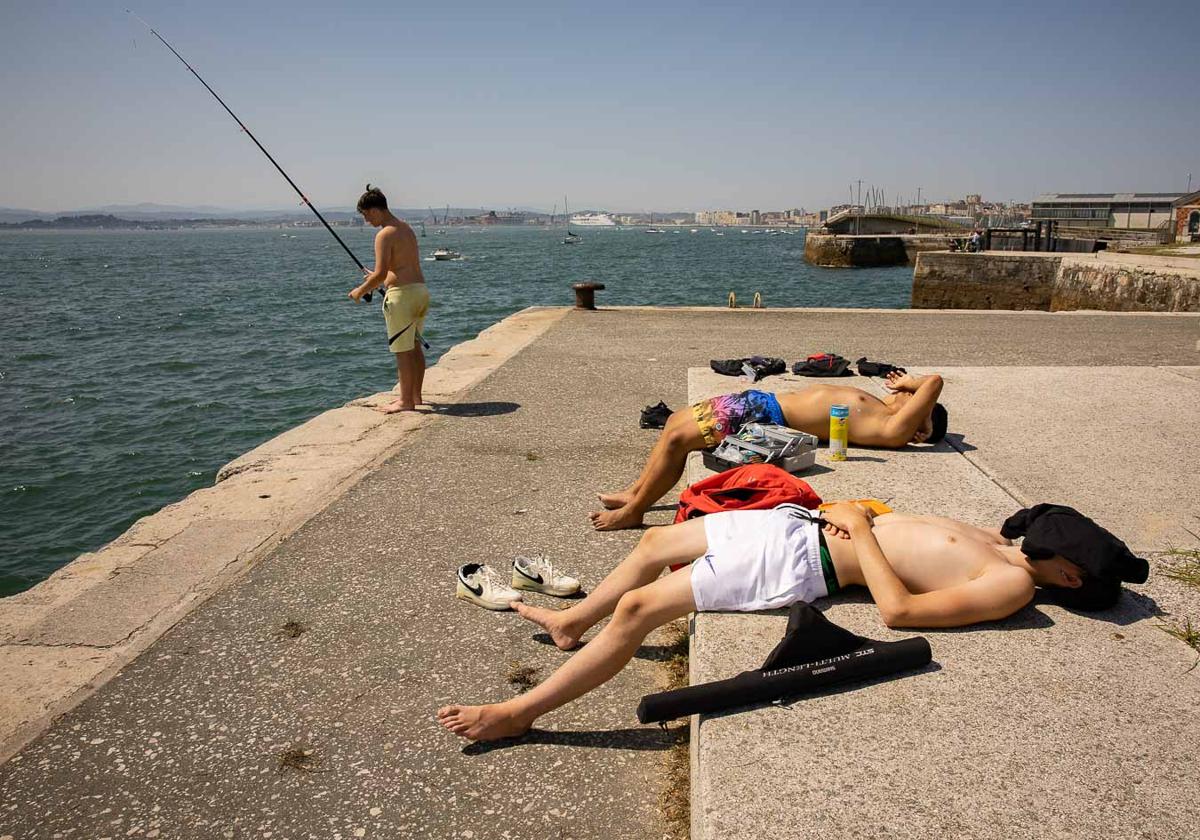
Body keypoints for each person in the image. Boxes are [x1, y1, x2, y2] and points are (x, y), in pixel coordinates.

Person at [438, 501, 1125, 742]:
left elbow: (901, 611)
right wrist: (860, 515)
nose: (1045, 533)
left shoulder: (1010, 585)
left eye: (1060, 543)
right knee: (651, 545)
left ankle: (521, 711)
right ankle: (572, 624)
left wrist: (861, 529)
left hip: (806, 566)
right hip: (799, 526)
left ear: (1069, 576)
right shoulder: (1003, 543)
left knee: (643, 609)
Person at [592, 371, 946, 530]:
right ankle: (636, 491)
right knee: (673, 424)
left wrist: (912, 387)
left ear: (920, 426)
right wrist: (904, 392)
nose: (905, 394)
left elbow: (934, 382)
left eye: (915, 401)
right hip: (763, 402)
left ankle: (636, 511)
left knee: (677, 441)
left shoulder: (892, 429)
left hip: (766, 415)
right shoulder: (884, 408)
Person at [349, 185, 430, 413]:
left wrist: (361, 290)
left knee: (402, 351)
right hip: (420, 291)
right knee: (414, 347)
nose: (367, 221)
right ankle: (416, 396)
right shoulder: (406, 228)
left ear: (375, 210)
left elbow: (381, 274)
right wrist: (375, 279)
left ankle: (405, 402)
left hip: (402, 297)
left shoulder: (384, 234)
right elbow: (397, 268)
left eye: (366, 215)